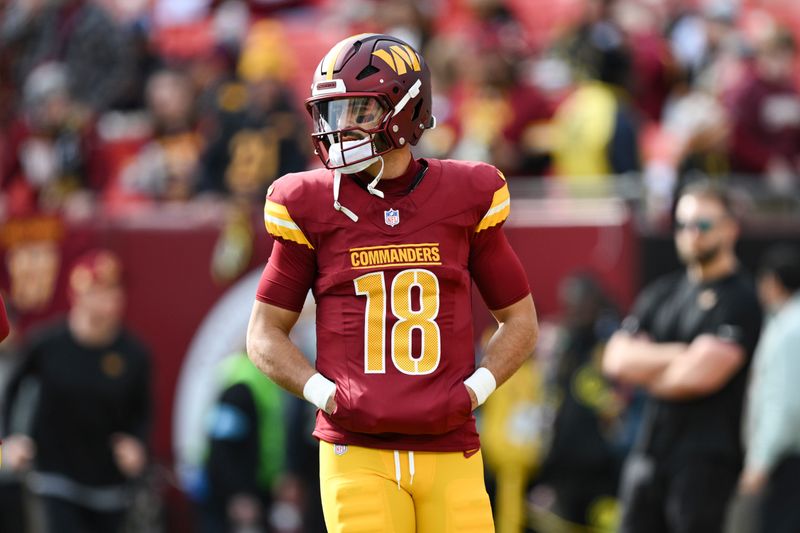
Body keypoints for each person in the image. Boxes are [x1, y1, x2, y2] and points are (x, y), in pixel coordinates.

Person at [246, 33, 539, 533]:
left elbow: (521, 321)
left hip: (450, 446)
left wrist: (476, 390)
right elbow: (263, 333)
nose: (338, 129)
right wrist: (323, 393)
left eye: (356, 111)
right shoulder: (309, 203)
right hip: (356, 450)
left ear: (404, 111)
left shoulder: (467, 194)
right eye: (332, 112)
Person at [602, 181, 762, 533]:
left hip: (706, 461)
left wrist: (646, 369)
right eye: (683, 224)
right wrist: (684, 353)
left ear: (730, 228)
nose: (691, 234)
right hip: (648, 453)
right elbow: (615, 359)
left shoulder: (741, 299)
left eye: (702, 225)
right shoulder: (662, 292)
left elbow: (700, 376)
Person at [2, 249, 151, 533]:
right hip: (54, 472)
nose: (111, 299)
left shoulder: (134, 353)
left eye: (115, 289)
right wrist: (12, 439)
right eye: (100, 291)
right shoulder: (47, 344)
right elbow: (13, 388)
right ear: (78, 296)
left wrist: (137, 445)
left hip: (107, 477)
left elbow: (143, 409)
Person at [739, 245, 800, 533]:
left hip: (789, 462)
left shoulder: (790, 328)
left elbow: (785, 402)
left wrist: (760, 462)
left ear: (772, 281)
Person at [195, 351, 287, 533]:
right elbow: (222, 446)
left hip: (255, 488)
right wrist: (240, 493)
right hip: (236, 499)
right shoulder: (243, 387)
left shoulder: (259, 380)